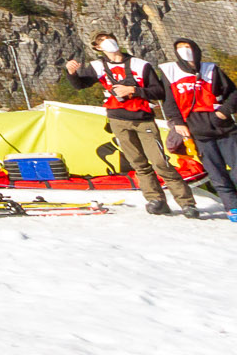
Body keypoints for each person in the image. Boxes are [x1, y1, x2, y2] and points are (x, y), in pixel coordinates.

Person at [67, 33, 203, 218]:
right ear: (97, 48)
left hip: (143, 118)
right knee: (138, 163)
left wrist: (134, 90)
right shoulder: (98, 66)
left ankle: (187, 203)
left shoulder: (140, 65)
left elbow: (159, 92)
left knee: (160, 162)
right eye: (102, 41)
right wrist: (72, 73)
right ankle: (155, 200)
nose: (108, 42)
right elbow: (80, 85)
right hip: (117, 119)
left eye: (109, 38)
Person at [157, 36, 237, 220]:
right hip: (198, 132)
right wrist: (178, 123)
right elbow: (168, 102)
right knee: (217, 173)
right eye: (180, 48)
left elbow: (233, 93)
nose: (184, 50)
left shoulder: (211, 69)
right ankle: (232, 207)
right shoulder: (169, 71)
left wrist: (223, 112)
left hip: (225, 128)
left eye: (187, 46)